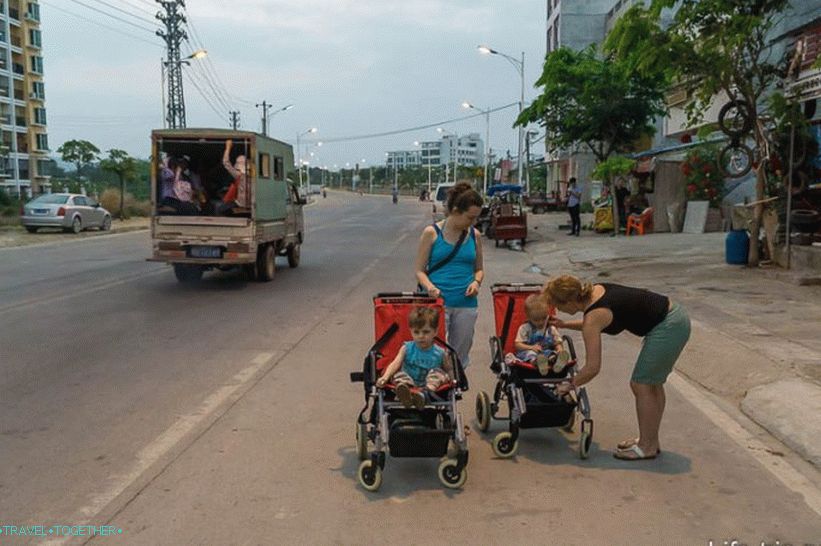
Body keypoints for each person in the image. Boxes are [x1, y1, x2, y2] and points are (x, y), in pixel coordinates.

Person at [543, 275, 691, 460]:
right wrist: (564, 325)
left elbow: (592, 368)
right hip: (675, 316)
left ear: (570, 301)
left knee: (642, 384)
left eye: (559, 305)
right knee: (653, 384)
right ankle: (650, 440)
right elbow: (594, 323)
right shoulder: (595, 292)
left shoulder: (594, 315)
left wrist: (569, 384)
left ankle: (647, 447)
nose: (558, 309)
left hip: (668, 326)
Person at [415, 182, 484, 368]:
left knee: (459, 355)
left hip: (466, 303)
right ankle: (431, 387)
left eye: (476, 218)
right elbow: (419, 271)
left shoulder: (474, 235)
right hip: (436, 303)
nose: (473, 222)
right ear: (455, 210)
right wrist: (430, 288)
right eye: (470, 217)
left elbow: (479, 268)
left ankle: (454, 388)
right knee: (432, 352)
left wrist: (477, 282)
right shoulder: (432, 233)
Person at [376, 307, 454, 409]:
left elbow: (448, 369)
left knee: (438, 373)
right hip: (409, 380)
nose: (421, 336)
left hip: (430, 385)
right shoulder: (406, 348)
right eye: (416, 332)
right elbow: (395, 363)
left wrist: (453, 380)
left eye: (426, 332)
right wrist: (385, 377)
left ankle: (424, 394)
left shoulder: (440, 352)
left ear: (435, 332)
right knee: (398, 374)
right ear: (411, 332)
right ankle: (406, 393)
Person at [514, 294, 568, 375]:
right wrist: (531, 347)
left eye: (544, 318)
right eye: (536, 320)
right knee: (530, 354)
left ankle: (556, 362)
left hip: (545, 352)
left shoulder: (550, 328)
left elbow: (557, 342)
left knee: (552, 353)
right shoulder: (525, 328)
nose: (541, 322)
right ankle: (537, 363)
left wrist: (560, 349)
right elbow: (517, 344)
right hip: (530, 351)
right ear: (528, 317)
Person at [220, 139, 248, 214]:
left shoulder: (239, 175)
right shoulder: (253, 176)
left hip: (241, 204)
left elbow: (226, 163)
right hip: (251, 204)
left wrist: (228, 148)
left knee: (220, 209)